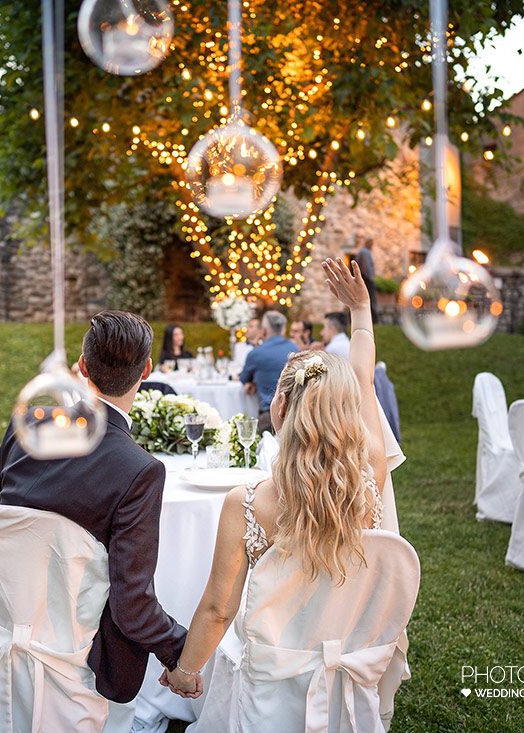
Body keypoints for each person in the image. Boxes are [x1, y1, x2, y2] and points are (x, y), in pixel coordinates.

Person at [161, 257, 392, 700]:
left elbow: (217, 610)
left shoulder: (246, 502)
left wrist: (186, 672)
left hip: (272, 681)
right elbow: (362, 377)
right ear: (347, 413)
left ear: (280, 409)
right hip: (345, 663)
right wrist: (360, 313)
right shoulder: (370, 475)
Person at [0, 311, 187, 704]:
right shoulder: (140, 470)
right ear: (146, 370)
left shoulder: (27, 424)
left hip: (2, 614)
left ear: (82, 367)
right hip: (83, 646)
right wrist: (179, 652)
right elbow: (132, 605)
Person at [240, 311, 299, 432]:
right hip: (295, 416)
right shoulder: (294, 349)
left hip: (269, 419)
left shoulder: (256, 353)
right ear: (283, 330)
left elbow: (243, 378)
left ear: (264, 330)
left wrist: (253, 380)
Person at [355, 236, 378, 323]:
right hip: (367, 281)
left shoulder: (364, 252)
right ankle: (373, 321)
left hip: (366, 279)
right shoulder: (364, 252)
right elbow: (366, 268)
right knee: (370, 300)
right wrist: (371, 279)